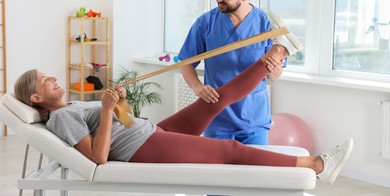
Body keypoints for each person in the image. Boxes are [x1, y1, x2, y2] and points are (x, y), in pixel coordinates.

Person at [14, 33, 352, 185]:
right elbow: (99, 158)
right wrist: (104, 110)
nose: (53, 78)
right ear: (34, 98)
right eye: (45, 81)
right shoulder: (61, 118)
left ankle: (274, 57)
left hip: (149, 131)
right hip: (141, 148)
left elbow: (124, 121)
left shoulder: (71, 104)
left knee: (215, 98)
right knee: (229, 151)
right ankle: (317, 163)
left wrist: (119, 105)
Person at [178, 0, 300, 145]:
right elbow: (185, 61)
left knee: (256, 172)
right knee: (218, 173)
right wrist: (197, 87)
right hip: (217, 120)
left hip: (253, 120)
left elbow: (275, 76)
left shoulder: (265, 25)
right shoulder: (205, 23)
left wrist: (275, 70)